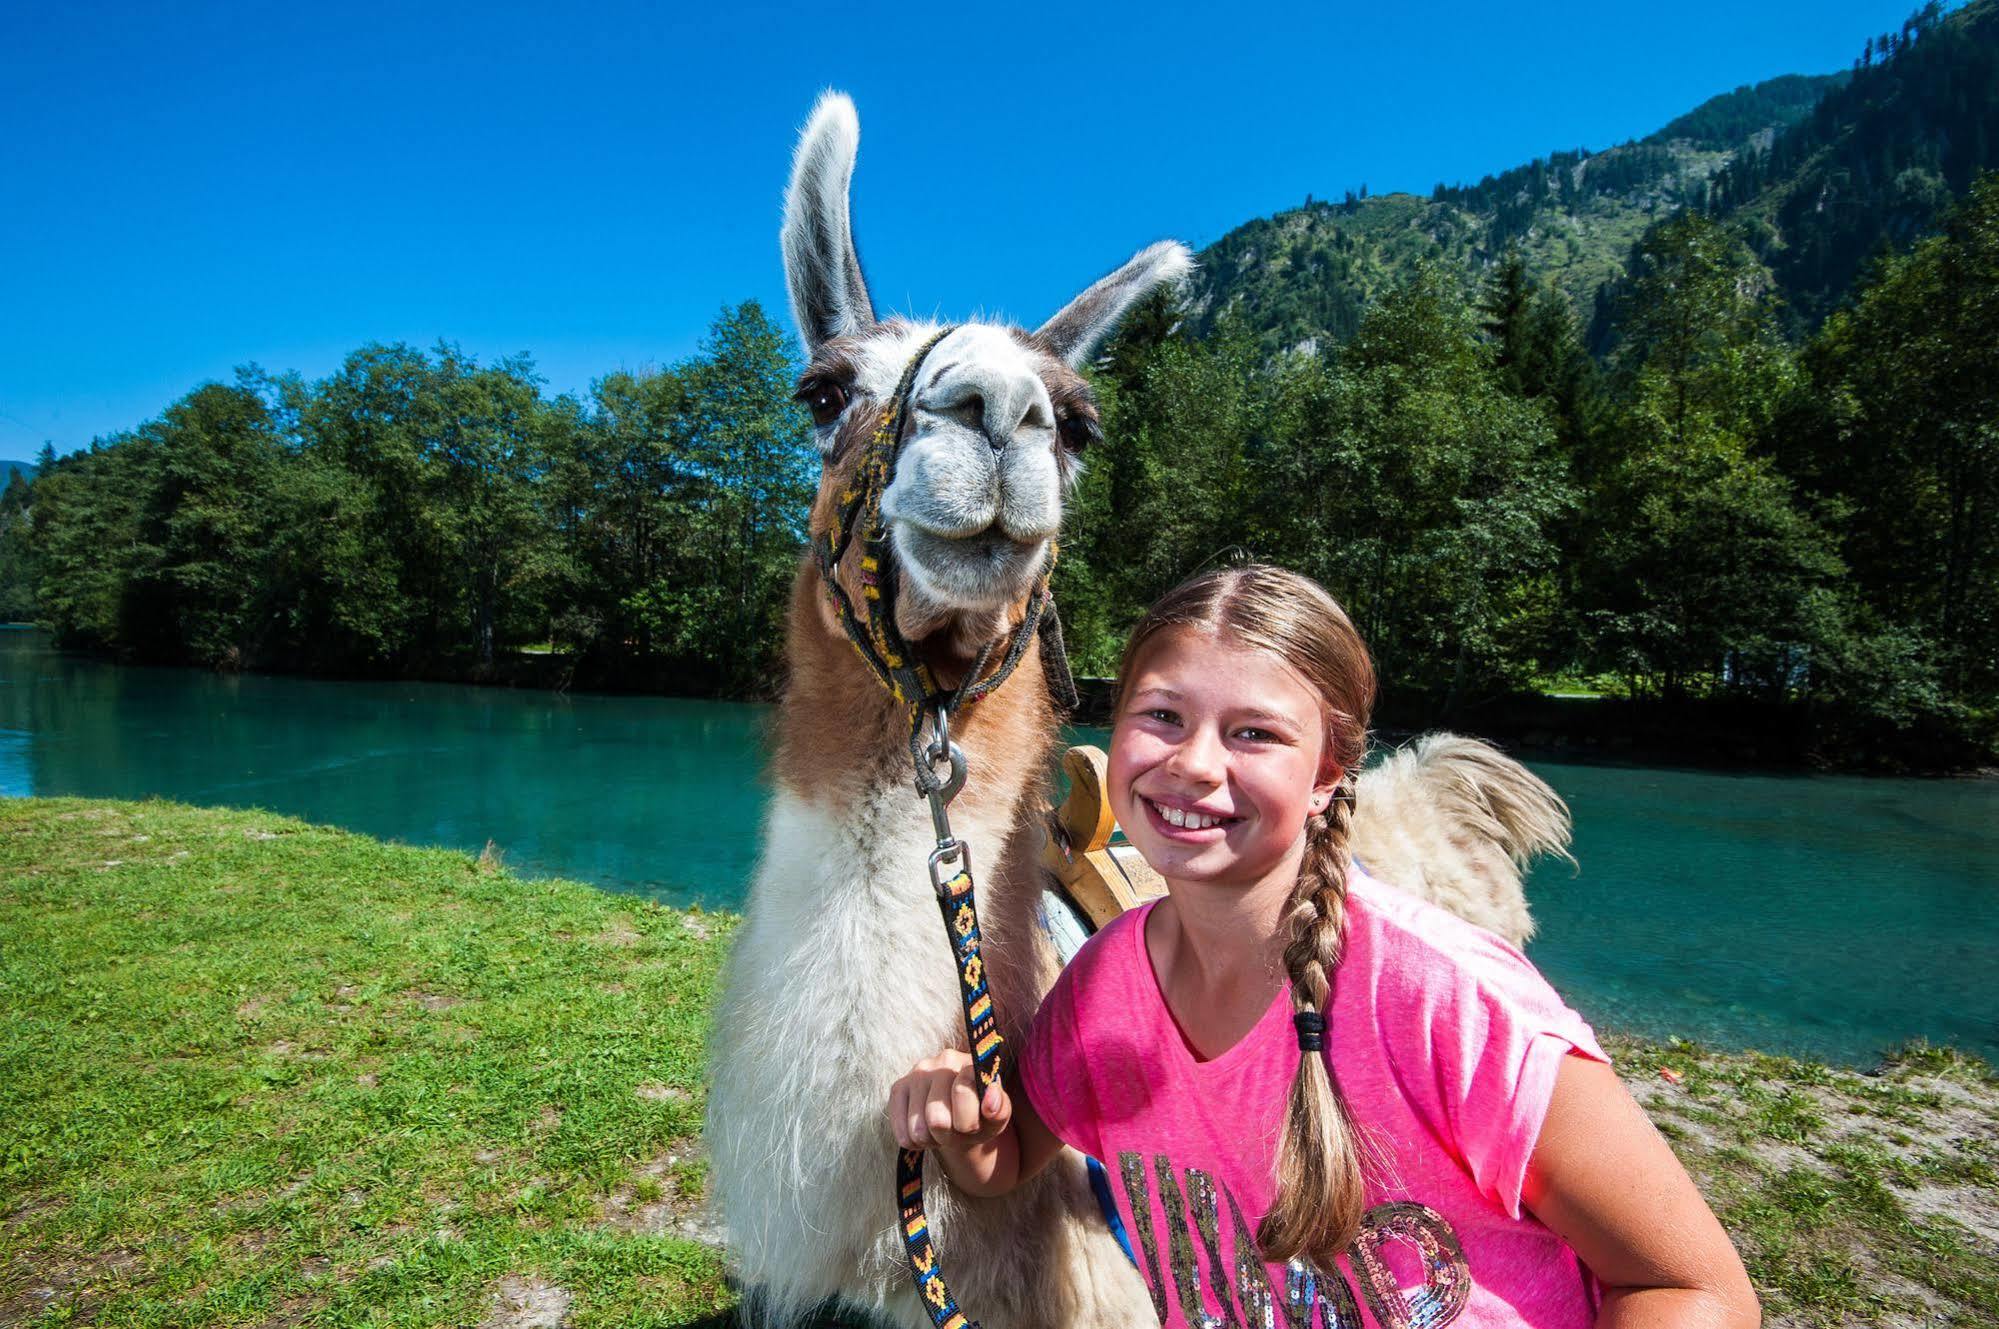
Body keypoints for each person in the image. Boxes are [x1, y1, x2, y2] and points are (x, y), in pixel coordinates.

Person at [888, 565, 1759, 1328]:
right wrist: (968, 1115)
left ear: (1329, 772)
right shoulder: (1103, 989)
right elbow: (1005, 1165)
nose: (1192, 763)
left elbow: (1692, 1287)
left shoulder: (1441, 998)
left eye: (1252, 733)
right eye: (1160, 715)